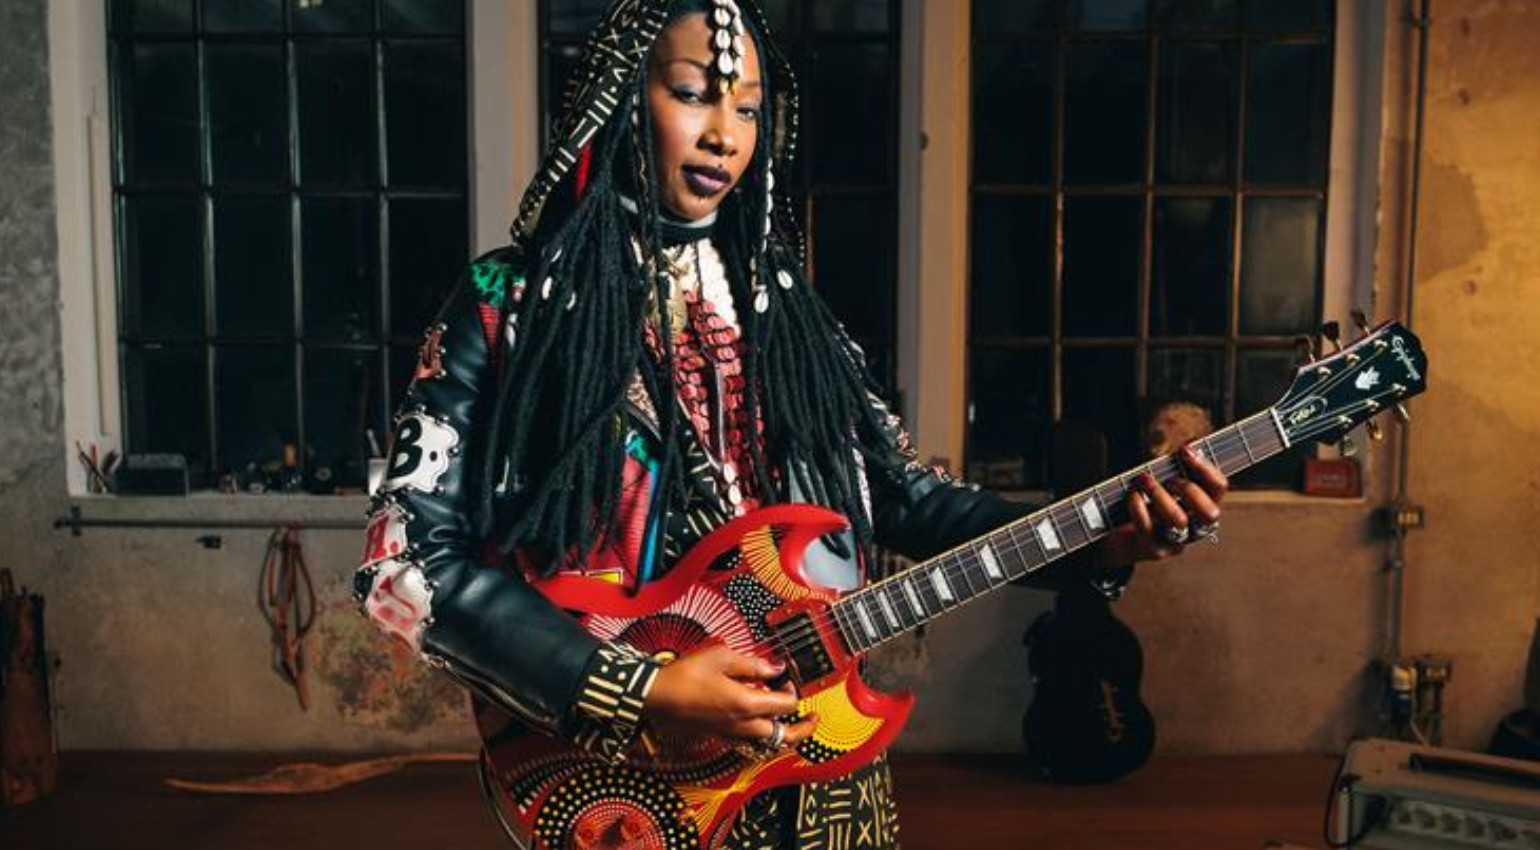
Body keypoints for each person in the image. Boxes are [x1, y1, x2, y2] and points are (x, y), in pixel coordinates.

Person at [355, 1, 1228, 847]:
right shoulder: (508, 303)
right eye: (692, 94)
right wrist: (637, 688)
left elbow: (907, 497)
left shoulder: (783, 307)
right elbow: (406, 562)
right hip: (630, 773)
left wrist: (1102, 542)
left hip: (824, 773)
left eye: (747, 109)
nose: (724, 135)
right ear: (621, 97)